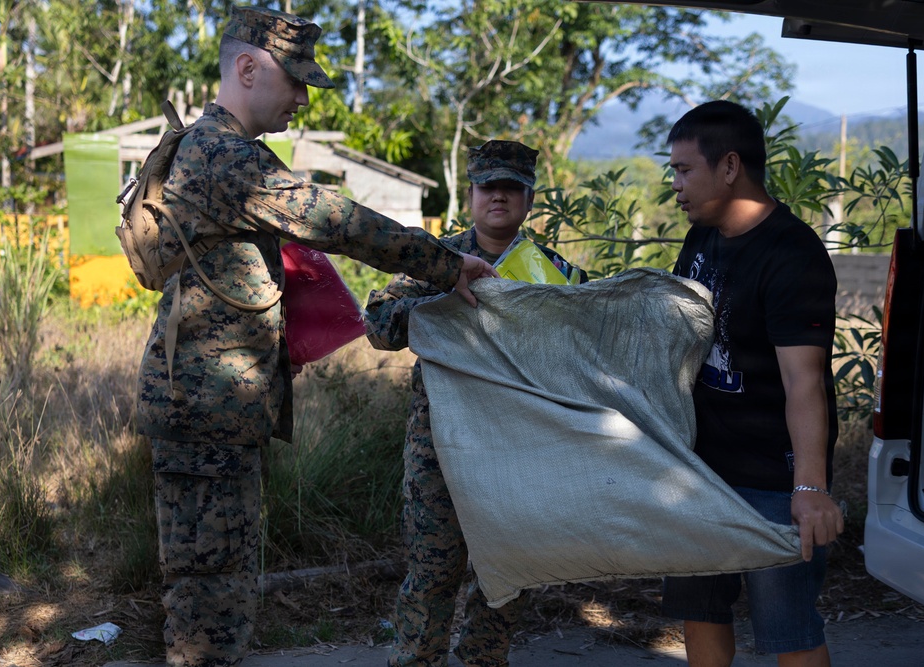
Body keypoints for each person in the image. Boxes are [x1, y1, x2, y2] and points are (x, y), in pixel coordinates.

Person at [136, 6, 496, 666]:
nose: (302, 97)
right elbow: (334, 219)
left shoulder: (220, 150)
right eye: (294, 79)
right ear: (247, 68)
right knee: (208, 604)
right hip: (203, 416)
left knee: (217, 589)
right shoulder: (223, 157)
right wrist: (444, 262)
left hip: (213, 413)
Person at [366, 140, 587, 667]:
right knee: (433, 567)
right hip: (440, 441)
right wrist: (441, 300)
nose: (499, 198)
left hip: (518, 444)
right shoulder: (432, 259)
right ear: (470, 194)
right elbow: (377, 326)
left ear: (529, 198)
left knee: (506, 570)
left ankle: (484, 660)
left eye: (512, 188)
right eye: (489, 187)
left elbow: (580, 356)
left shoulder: (554, 273)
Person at [660, 100, 845, 667]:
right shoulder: (702, 238)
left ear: (730, 166)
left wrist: (809, 490)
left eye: (684, 170)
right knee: (701, 609)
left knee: (788, 629)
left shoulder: (793, 254)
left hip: (773, 477)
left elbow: (804, 382)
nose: (675, 185)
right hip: (700, 469)